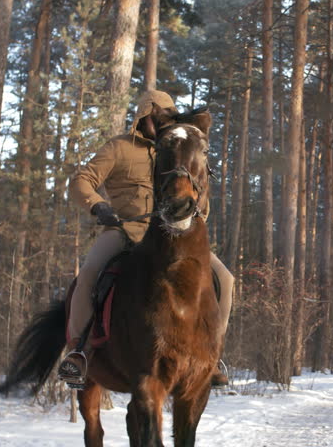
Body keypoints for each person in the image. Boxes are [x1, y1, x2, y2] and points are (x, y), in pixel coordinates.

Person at [57, 89, 234, 387]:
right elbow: (80, 181)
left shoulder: (183, 148)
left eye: (168, 118)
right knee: (88, 276)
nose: (163, 124)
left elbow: (202, 198)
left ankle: (211, 355)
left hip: (175, 238)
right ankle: (79, 353)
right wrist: (99, 206)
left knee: (225, 279)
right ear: (144, 116)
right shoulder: (120, 148)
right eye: (157, 117)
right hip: (127, 233)